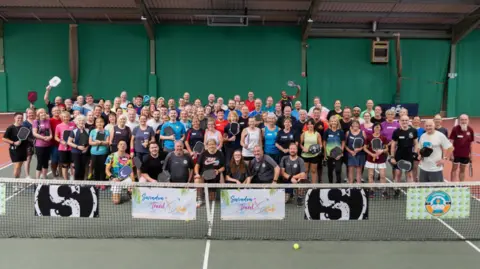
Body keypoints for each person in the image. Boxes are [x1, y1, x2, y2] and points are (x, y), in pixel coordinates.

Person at [390, 115, 419, 196]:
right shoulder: (396, 131)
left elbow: (416, 143)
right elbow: (393, 145)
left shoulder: (413, 131)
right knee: (398, 174)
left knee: (409, 174)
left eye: (406, 120)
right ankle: (396, 190)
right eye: (403, 120)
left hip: (409, 155)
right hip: (399, 155)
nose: (404, 122)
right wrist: (392, 157)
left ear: (409, 121)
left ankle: (411, 192)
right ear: (399, 121)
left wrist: (415, 153)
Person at [194, 139, 225, 206]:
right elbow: (197, 165)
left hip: (214, 177)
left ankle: (206, 192)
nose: (211, 146)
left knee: (211, 198)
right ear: (207, 146)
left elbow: (223, 167)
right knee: (197, 180)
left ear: (216, 145)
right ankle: (199, 198)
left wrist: (218, 171)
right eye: (210, 144)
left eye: (213, 144)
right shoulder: (203, 154)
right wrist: (197, 174)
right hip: (203, 176)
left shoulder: (220, 154)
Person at [3, 113, 29, 187]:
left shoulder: (23, 128)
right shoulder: (10, 128)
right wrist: (14, 142)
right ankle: (15, 183)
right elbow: (4, 138)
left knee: (19, 166)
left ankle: (17, 181)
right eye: (18, 118)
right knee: (17, 166)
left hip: (23, 150)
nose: (20, 119)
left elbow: (26, 138)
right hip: (14, 150)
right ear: (14, 118)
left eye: (21, 118)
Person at [364, 122, 389, 198]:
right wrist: (371, 154)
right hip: (371, 159)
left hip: (381, 159)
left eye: (378, 127)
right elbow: (365, 148)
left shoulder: (383, 138)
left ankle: (384, 191)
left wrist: (382, 151)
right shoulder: (369, 137)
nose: (377, 128)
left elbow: (387, 148)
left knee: (382, 175)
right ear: (373, 128)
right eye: (375, 127)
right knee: (370, 175)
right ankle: (371, 190)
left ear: (380, 128)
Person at [105, 140, 134, 204]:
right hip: (115, 179)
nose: (122, 145)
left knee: (132, 184)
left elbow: (131, 171)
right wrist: (112, 178)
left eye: (124, 144)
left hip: (126, 178)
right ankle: (116, 193)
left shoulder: (129, 157)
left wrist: (133, 183)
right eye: (120, 144)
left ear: (126, 147)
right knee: (116, 201)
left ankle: (129, 192)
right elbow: (107, 170)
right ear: (117, 146)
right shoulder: (111, 156)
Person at [449, 114, 474, 182]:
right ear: (460, 120)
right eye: (462, 119)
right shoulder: (455, 129)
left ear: (468, 120)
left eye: (465, 119)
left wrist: (471, 154)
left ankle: (461, 185)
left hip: (465, 154)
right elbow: (451, 142)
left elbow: (471, 143)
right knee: (454, 169)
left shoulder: (470, 130)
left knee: (462, 170)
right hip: (456, 154)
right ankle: (452, 185)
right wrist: (451, 154)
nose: (464, 121)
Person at [67, 115, 90, 181]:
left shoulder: (88, 130)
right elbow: (69, 142)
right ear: (77, 122)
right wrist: (77, 146)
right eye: (80, 120)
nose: (81, 122)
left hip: (84, 153)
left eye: (83, 120)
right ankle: (76, 183)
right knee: (77, 169)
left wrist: (86, 148)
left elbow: (89, 141)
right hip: (75, 152)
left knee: (83, 169)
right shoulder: (73, 131)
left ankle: (82, 183)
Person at [323, 116, 345, 183]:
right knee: (330, 170)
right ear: (330, 122)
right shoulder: (327, 131)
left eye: (335, 121)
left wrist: (341, 152)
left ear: (337, 122)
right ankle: (330, 184)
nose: (333, 122)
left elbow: (343, 142)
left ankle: (338, 184)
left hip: (338, 154)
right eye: (332, 121)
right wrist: (325, 154)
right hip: (329, 154)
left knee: (338, 170)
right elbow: (324, 143)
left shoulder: (340, 131)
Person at [55, 111, 76, 180]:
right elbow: (56, 137)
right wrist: (61, 141)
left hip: (72, 148)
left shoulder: (73, 124)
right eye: (64, 117)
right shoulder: (58, 126)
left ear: (69, 117)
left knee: (73, 165)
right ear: (61, 117)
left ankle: (73, 178)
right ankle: (65, 180)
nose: (65, 118)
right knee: (65, 165)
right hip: (62, 148)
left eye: (67, 116)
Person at [32, 108, 53, 179]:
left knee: (46, 162)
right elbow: (34, 133)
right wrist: (43, 138)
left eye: (44, 112)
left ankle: (44, 178)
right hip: (39, 145)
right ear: (38, 114)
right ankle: (37, 179)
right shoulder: (36, 122)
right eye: (41, 113)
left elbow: (50, 132)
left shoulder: (48, 121)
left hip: (48, 145)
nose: (43, 114)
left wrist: (50, 137)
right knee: (40, 162)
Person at [300, 119, 322, 183]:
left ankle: (313, 187)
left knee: (313, 171)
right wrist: (303, 148)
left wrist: (315, 149)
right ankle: (305, 186)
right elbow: (300, 144)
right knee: (305, 171)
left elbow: (320, 145)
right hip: (305, 155)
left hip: (314, 155)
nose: (310, 125)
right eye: (308, 124)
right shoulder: (304, 134)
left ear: (314, 125)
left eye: (311, 124)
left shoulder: (317, 134)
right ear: (307, 125)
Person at [89, 117, 110, 183]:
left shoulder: (106, 132)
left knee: (102, 168)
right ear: (95, 123)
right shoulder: (92, 131)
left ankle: (102, 183)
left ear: (103, 123)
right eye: (98, 122)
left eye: (101, 122)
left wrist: (101, 142)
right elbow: (90, 142)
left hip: (103, 153)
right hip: (94, 153)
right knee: (95, 168)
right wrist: (96, 143)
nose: (99, 123)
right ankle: (96, 183)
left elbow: (107, 142)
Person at [22, 108, 36, 178]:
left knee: (40, 158)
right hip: (28, 144)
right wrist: (32, 140)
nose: (31, 114)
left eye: (32, 113)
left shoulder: (37, 121)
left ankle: (42, 174)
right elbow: (24, 135)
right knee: (28, 159)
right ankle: (27, 175)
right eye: (29, 113)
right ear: (26, 114)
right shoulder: (24, 123)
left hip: (38, 143)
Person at [49, 106, 62, 178]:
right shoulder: (50, 121)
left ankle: (61, 175)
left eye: (58, 110)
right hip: (53, 144)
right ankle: (54, 175)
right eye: (55, 111)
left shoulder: (63, 119)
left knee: (61, 161)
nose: (57, 112)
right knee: (54, 160)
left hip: (63, 144)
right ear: (52, 112)